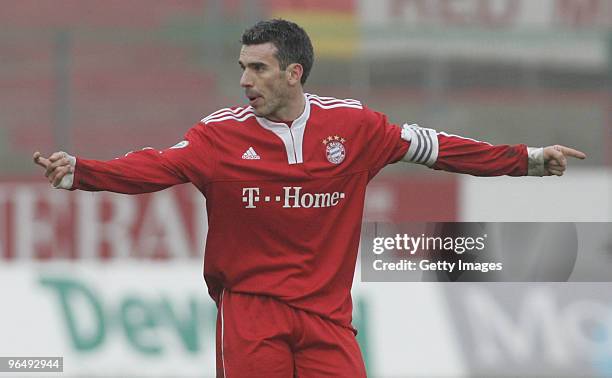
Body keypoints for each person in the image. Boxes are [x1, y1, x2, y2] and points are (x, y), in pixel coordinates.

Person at [33, 19, 586, 378]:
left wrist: (527, 160)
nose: (245, 80)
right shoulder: (218, 135)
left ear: (294, 72)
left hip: (328, 318)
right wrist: (81, 171)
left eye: (258, 68)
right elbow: (155, 165)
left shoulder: (356, 126)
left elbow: (438, 148)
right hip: (252, 312)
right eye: (242, 68)